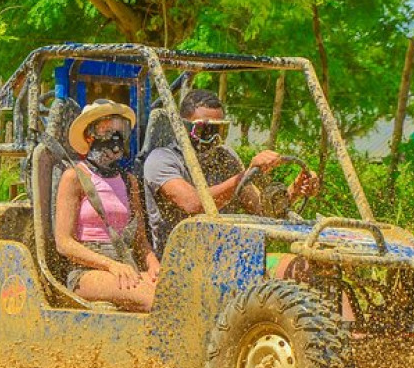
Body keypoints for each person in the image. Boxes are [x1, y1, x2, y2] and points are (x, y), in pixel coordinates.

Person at [143, 89, 319, 255]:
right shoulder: (162, 159)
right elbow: (193, 204)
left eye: (220, 131)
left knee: (304, 267)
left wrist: (295, 190)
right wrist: (244, 175)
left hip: (230, 256)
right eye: (206, 131)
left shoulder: (225, 157)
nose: (215, 138)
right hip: (181, 258)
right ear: (184, 128)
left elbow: (262, 211)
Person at [55, 99, 160, 312]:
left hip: (125, 267)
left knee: (173, 293)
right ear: (89, 136)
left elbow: (140, 239)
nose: (115, 137)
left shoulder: (129, 181)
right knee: (153, 299)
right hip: (86, 272)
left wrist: (153, 265)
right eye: (107, 130)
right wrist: (110, 265)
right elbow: (64, 243)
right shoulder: (75, 177)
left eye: (121, 130)